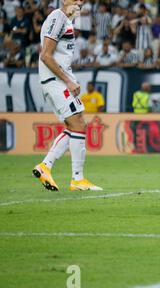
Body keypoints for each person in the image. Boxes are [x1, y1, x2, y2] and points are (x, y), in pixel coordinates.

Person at [33, 0, 102, 192]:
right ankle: (77, 179)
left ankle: (45, 166)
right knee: (78, 123)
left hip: (58, 81)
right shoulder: (58, 17)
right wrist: (68, 80)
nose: (80, 2)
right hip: (56, 81)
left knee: (75, 124)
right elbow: (46, 55)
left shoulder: (66, 20)